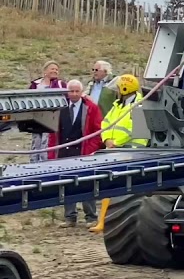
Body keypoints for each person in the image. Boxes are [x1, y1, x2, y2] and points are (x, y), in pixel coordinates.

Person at [50, 80, 104, 227]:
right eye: (71, 91)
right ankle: (70, 217)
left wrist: (90, 150)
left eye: (76, 91)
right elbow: (53, 133)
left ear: (81, 92)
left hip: (83, 151)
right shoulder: (59, 107)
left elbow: (98, 131)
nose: (73, 94)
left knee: (86, 183)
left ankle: (91, 217)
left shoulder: (91, 108)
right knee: (66, 184)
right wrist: (52, 153)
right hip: (63, 152)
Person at [27, 60, 66, 162]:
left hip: (51, 117)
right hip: (36, 116)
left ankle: (44, 163)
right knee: (36, 141)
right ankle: (33, 163)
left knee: (46, 141)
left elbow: (67, 98)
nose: (55, 71)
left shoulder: (60, 84)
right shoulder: (35, 84)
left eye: (57, 70)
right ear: (45, 71)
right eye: (52, 69)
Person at [101, 74, 148, 148]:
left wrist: (115, 143)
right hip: (115, 150)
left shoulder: (140, 106)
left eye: (118, 88)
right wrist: (106, 139)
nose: (116, 91)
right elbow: (105, 123)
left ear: (125, 89)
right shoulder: (117, 105)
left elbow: (134, 131)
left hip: (133, 152)